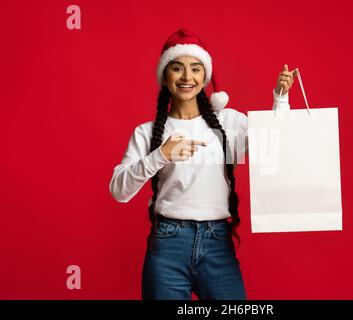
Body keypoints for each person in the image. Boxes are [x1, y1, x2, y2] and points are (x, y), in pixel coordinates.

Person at [109, 28, 299, 300]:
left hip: (218, 243)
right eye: (177, 68)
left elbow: (274, 147)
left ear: (204, 77)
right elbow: (118, 191)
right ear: (165, 76)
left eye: (196, 69)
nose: (187, 77)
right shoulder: (146, 132)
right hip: (168, 245)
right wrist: (161, 154)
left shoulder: (229, 122)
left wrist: (281, 98)